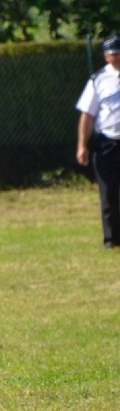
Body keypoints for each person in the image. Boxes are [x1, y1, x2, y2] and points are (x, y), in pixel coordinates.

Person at [76, 33, 120, 249]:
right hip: (108, 143)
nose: (117, 58)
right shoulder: (98, 80)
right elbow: (88, 115)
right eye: (114, 54)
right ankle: (112, 239)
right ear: (106, 56)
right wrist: (82, 145)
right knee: (109, 193)